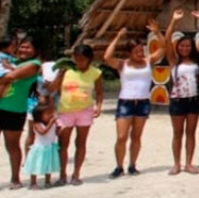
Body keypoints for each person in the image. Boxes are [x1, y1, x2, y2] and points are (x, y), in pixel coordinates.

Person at [102, 22, 165, 178]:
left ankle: (132, 164)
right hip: (126, 102)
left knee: (136, 136)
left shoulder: (148, 61)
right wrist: (117, 37)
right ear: (129, 52)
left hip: (142, 102)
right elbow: (107, 57)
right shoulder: (123, 64)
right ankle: (119, 166)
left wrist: (157, 33)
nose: (140, 53)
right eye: (136, 51)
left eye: (141, 50)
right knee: (121, 137)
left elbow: (163, 49)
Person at [164, 9, 199, 175]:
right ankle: (176, 163)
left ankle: (189, 163)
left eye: (188, 46)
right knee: (177, 133)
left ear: (192, 48)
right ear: (178, 47)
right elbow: (167, 39)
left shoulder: (196, 60)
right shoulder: (173, 60)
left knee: (190, 133)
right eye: (182, 45)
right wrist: (174, 21)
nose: (185, 48)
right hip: (177, 100)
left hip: (193, 99)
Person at [53, 44, 103, 186]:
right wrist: (59, 75)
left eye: (82, 59)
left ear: (89, 59)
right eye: (77, 59)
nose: (79, 62)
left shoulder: (96, 72)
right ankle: (62, 173)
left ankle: (76, 174)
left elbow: (99, 92)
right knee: (63, 143)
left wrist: (98, 106)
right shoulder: (66, 70)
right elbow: (54, 89)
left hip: (85, 111)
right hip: (65, 110)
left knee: (80, 143)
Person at [0, 36, 41, 189]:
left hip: (14, 109)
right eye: (21, 46)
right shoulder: (12, 61)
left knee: (12, 146)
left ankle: (15, 178)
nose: (23, 49)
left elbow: (11, 76)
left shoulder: (34, 65)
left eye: (27, 47)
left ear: (35, 51)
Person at [23, 103, 60, 189]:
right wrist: (51, 123)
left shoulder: (52, 124)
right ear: (39, 116)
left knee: (48, 165)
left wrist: (58, 128)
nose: (50, 115)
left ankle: (47, 181)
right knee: (35, 165)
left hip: (49, 147)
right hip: (39, 148)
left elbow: (55, 133)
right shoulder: (37, 124)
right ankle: (33, 183)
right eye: (48, 114)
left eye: (51, 113)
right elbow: (43, 133)